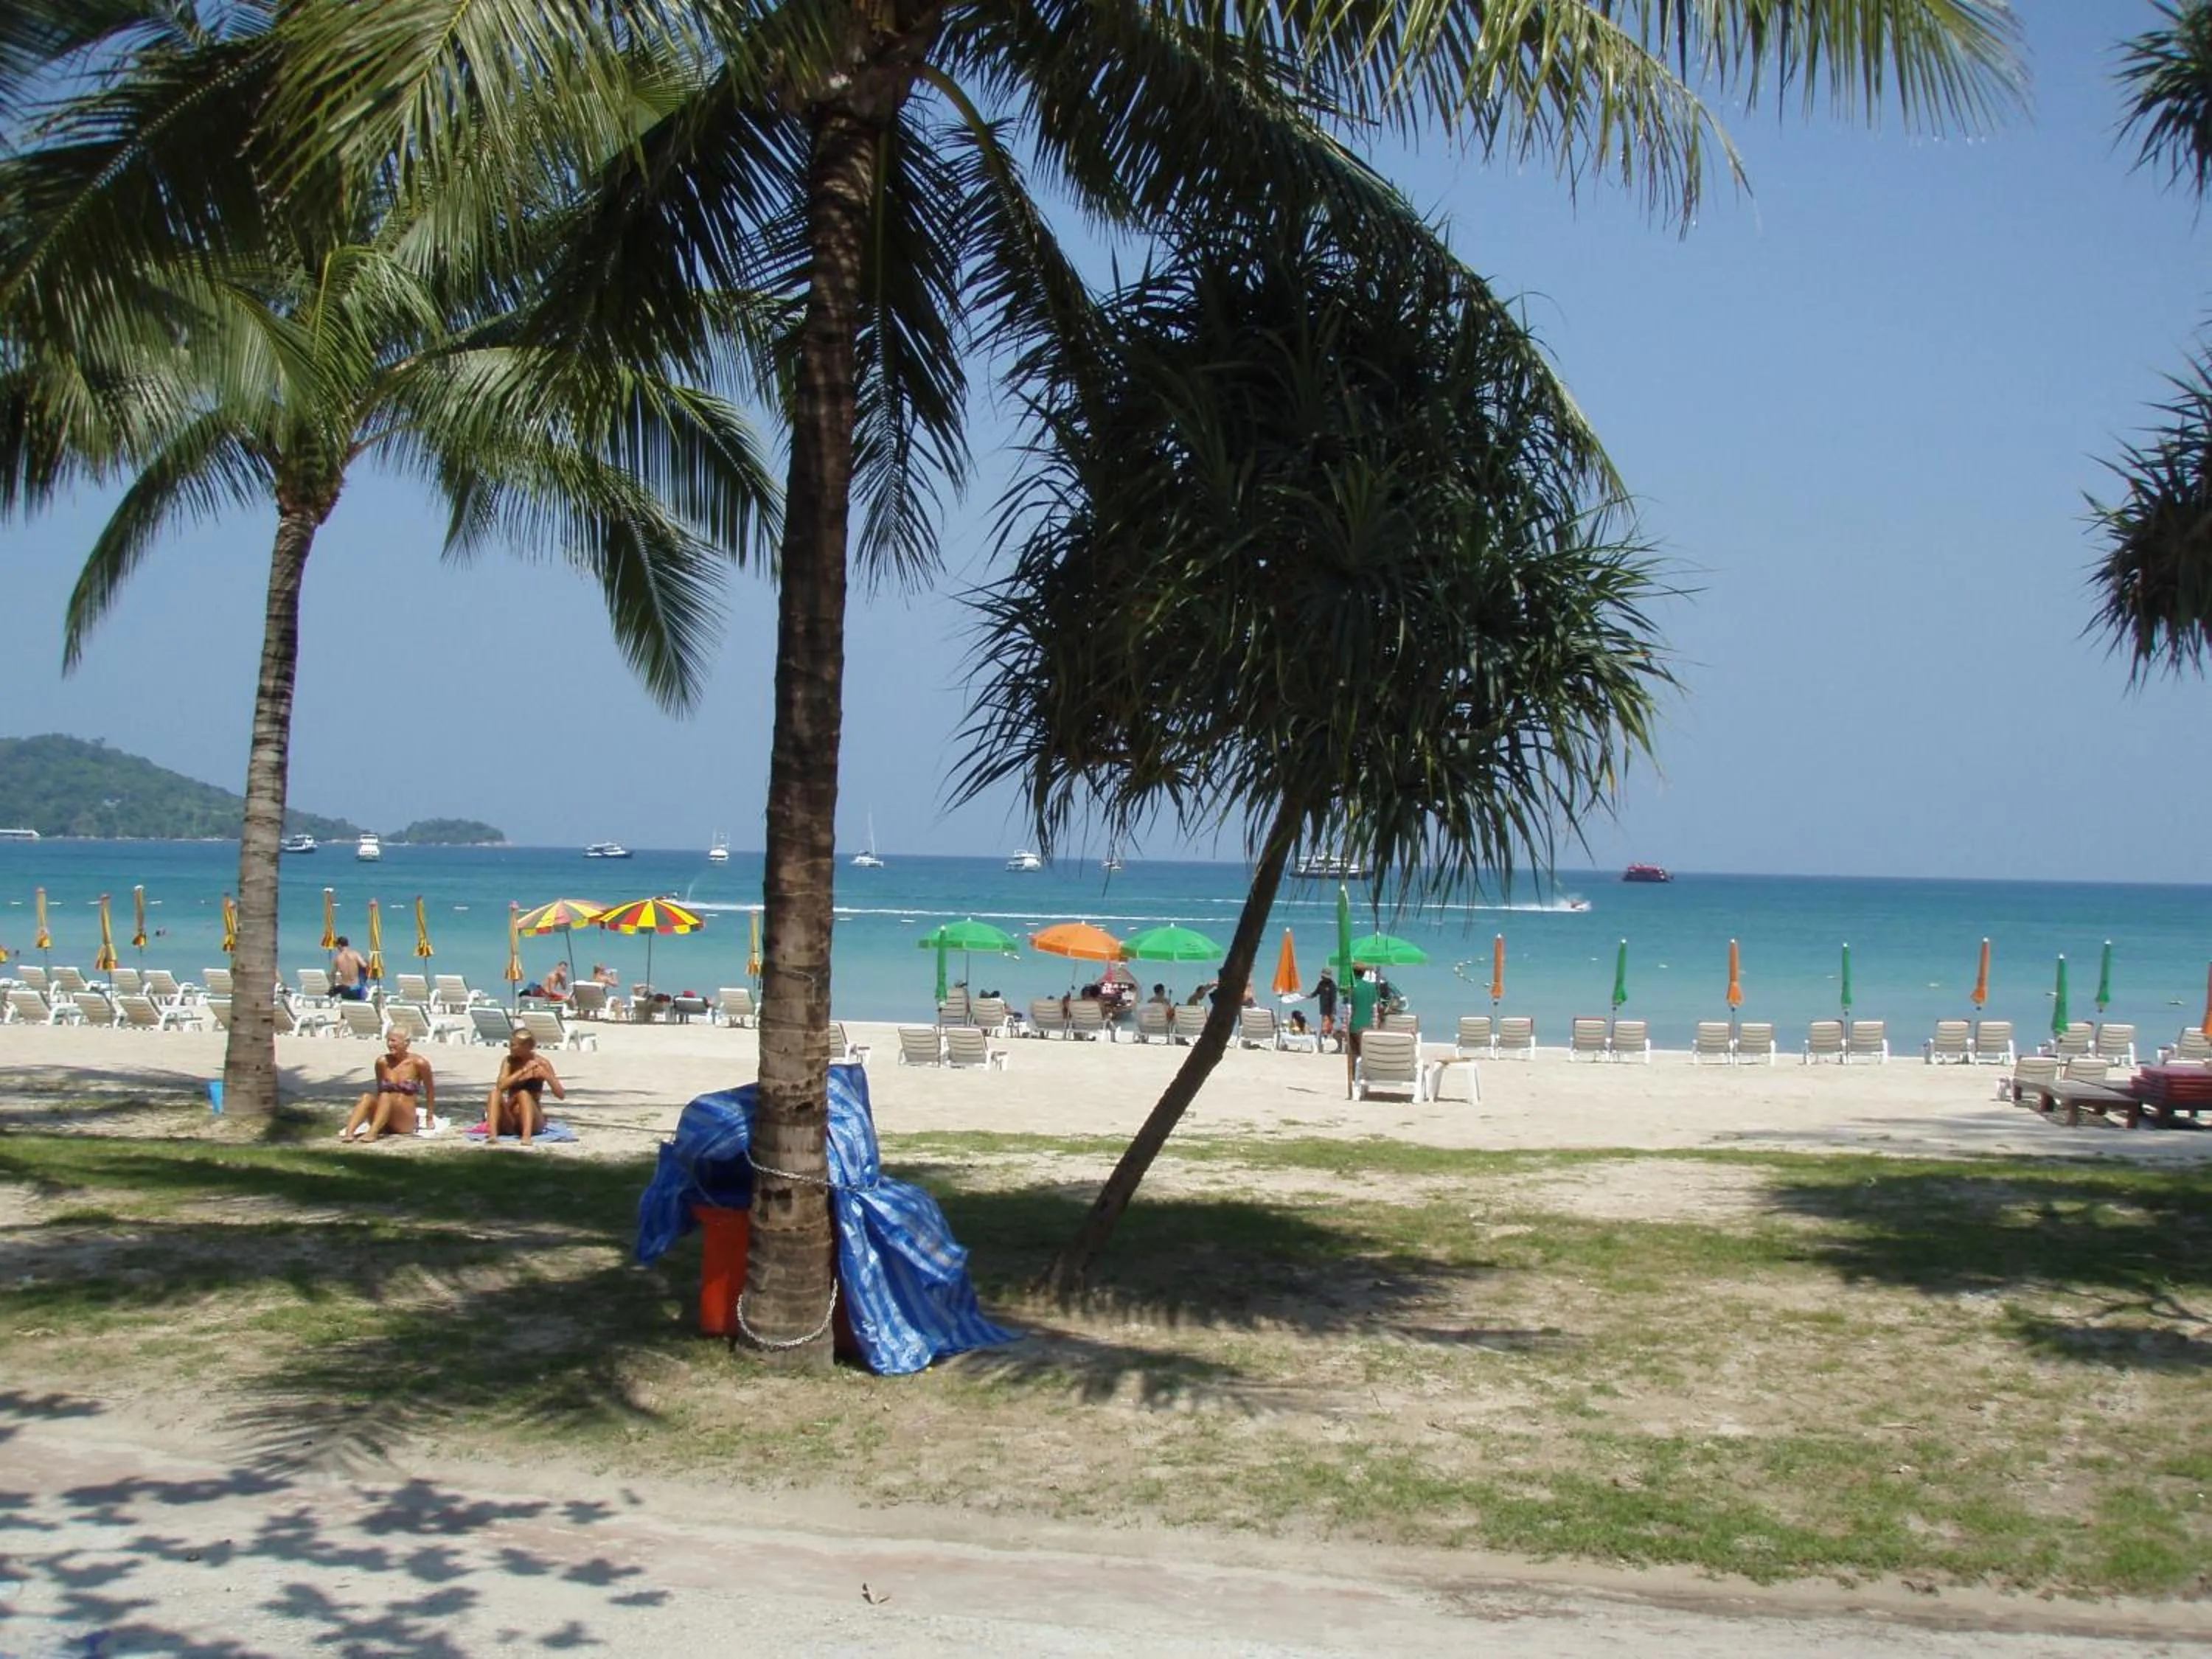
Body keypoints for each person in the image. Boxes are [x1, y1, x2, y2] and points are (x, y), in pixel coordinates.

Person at [340, 1029, 435, 1141]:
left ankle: (372, 1133)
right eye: (388, 1041)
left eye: (394, 1041)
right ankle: (349, 1133)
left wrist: (429, 1118)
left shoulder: (419, 1063)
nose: (390, 1045)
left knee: (386, 1096)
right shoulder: (382, 1062)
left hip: (404, 1120)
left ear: (406, 1042)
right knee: (367, 1097)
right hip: (385, 1118)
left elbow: (430, 1091)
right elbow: (380, 1089)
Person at [486, 1029, 564, 1147]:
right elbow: (501, 1086)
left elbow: (561, 1095)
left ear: (526, 1046)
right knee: (494, 1093)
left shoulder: (541, 1063)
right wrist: (523, 1071)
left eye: (513, 1045)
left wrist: (547, 1076)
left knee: (523, 1094)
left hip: (533, 1120)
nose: (510, 1048)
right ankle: (493, 1135)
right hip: (511, 1119)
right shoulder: (509, 1062)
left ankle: (526, 1137)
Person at [1344, 967, 1382, 1098]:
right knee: (1365, 1057)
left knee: (1354, 1057)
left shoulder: (1351, 988)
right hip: (1367, 1028)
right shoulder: (1372, 988)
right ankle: (1364, 1085)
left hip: (1354, 1027)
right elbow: (1375, 1011)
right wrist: (1375, 1028)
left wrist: (1345, 1029)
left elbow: (1348, 1011)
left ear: (1353, 973)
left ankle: (1355, 1085)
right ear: (1365, 972)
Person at [330, 936, 369, 1001]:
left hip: (345, 990)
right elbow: (365, 966)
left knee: (333, 991)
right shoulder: (355, 954)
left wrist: (333, 986)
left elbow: (332, 974)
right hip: (356, 988)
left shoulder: (337, 958)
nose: (337, 948)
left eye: (337, 946)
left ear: (340, 945)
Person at [1313, 970, 1339, 1043]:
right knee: (1325, 1026)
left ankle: (1327, 1039)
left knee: (1329, 1027)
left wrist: (1333, 1012)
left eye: (1324, 977)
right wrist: (1309, 996)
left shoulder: (1333, 985)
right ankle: (1323, 1040)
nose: (1322, 978)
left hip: (1331, 1009)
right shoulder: (1321, 984)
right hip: (1323, 1009)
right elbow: (1316, 992)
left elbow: (1334, 1000)